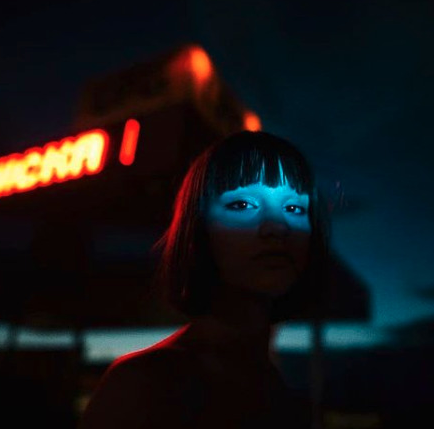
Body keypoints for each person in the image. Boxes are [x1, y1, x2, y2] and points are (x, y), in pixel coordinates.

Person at [77, 130, 332, 429]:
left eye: (294, 208)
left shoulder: (272, 384)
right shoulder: (147, 384)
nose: (277, 227)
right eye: (243, 205)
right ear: (198, 229)